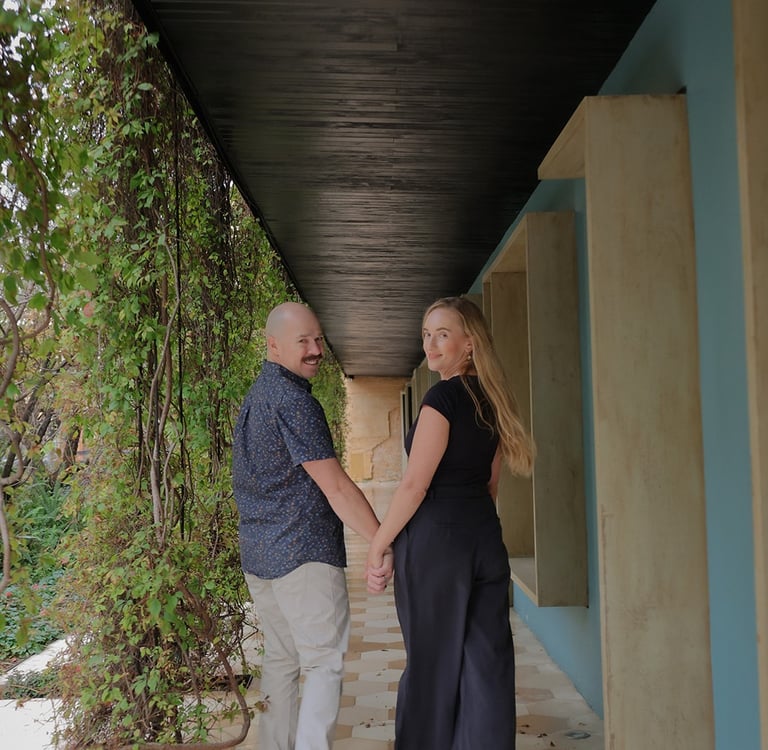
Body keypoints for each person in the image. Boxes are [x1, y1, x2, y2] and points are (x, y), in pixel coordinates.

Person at [366, 296, 534, 750]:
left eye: (443, 334)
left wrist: (379, 544)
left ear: (470, 343)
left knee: (432, 665)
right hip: (483, 535)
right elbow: (491, 486)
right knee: (486, 662)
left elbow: (414, 486)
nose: (431, 344)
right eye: (427, 334)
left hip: (437, 544)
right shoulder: (493, 399)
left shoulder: (442, 398)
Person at [232, 300, 393, 750]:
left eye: (318, 339)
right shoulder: (293, 401)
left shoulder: (257, 396)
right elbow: (336, 486)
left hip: (261, 557)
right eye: (302, 341)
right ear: (273, 345)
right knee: (324, 663)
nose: (315, 349)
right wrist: (382, 540)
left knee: (282, 661)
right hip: (303, 557)